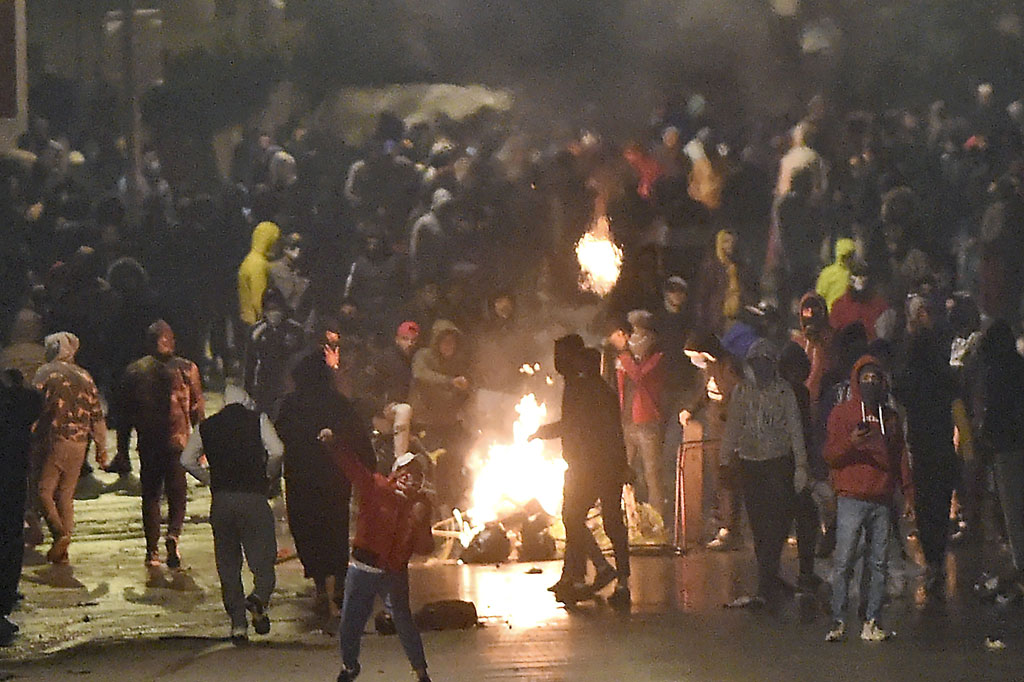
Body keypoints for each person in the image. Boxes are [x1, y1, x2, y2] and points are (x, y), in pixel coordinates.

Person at [318, 435, 434, 682]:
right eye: (406, 471)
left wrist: (421, 522)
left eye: (416, 474)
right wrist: (334, 444)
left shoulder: (420, 505)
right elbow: (352, 467)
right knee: (350, 623)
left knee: (404, 623)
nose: (411, 477)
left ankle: (421, 671)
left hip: (394, 574)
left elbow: (426, 548)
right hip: (363, 569)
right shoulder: (376, 487)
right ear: (395, 473)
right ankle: (350, 666)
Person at [275, 353, 376, 628]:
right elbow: (357, 436)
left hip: (301, 478)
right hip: (334, 476)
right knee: (335, 527)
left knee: (308, 530)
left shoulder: (290, 404)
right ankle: (341, 582)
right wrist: (370, 470)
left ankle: (321, 586)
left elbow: (278, 436)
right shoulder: (338, 403)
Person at [180, 385, 283, 642]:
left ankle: (238, 624)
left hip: (222, 501)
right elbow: (278, 450)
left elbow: (186, 460)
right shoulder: (257, 420)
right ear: (246, 401)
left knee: (228, 564)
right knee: (263, 559)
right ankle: (259, 597)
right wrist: (269, 474)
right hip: (253, 498)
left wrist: (207, 478)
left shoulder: (208, 426)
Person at [532, 339, 631, 607]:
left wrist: (544, 432)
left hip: (590, 466)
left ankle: (602, 569)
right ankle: (608, 578)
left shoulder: (582, 389)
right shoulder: (598, 389)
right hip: (600, 465)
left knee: (575, 517)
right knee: (608, 522)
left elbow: (576, 425)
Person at [824, 356, 913, 642]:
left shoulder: (891, 417)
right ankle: (838, 620)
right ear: (856, 380)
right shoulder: (841, 414)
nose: (871, 384)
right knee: (844, 560)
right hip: (851, 497)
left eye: (876, 378)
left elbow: (900, 456)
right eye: (866, 378)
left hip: (882, 498)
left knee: (878, 563)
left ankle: (872, 619)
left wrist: (908, 491)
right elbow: (830, 455)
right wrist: (852, 443)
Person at [721, 339, 809, 607]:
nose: (760, 367)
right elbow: (733, 427)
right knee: (759, 526)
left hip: (777, 463)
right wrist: (725, 460)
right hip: (751, 464)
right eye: (755, 362)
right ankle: (767, 580)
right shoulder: (742, 392)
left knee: (777, 524)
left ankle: (767, 580)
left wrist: (801, 466)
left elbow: (795, 429)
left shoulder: (783, 392)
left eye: (765, 361)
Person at [119, 320, 205, 568]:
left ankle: (152, 551)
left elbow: (124, 416)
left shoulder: (134, 371)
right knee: (178, 493)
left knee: (151, 496)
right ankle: (173, 535)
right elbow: (197, 409)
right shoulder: (188, 368)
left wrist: (122, 451)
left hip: (149, 441)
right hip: (179, 442)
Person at [893, 296, 957, 594]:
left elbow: (901, 390)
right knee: (939, 503)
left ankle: (932, 559)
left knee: (926, 501)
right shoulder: (941, 374)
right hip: (941, 443)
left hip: (922, 444)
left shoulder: (912, 373)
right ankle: (936, 558)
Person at [32, 332, 109, 565]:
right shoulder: (85, 376)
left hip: (54, 440)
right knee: (65, 495)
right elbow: (97, 415)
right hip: (79, 444)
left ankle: (59, 534)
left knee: (43, 491)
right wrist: (101, 449)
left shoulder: (45, 372)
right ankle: (62, 550)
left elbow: (33, 406)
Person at [977, 321, 1024, 583]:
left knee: (1013, 509)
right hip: (1016, 442)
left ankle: (1021, 563)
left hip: (1007, 447)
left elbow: (995, 412)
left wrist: (988, 438)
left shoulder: (996, 372)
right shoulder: (1019, 366)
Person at [408, 319, 472, 506]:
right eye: (445, 341)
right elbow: (421, 375)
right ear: (436, 342)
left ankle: (457, 500)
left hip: (448, 422)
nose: (449, 346)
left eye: (453, 342)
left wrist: (464, 390)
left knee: (461, 455)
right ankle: (433, 504)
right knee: (433, 465)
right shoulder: (423, 356)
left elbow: (464, 391)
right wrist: (450, 382)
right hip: (425, 421)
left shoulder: (456, 362)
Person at [0, 369, 43, 646]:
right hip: (10, 483)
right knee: (7, 544)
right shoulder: (15, 401)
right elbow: (34, 402)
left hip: (11, 483)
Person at [615, 309, 668, 518]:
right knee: (619, 473)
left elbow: (639, 375)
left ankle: (657, 520)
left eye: (639, 334)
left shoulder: (657, 356)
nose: (635, 339)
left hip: (647, 424)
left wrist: (624, 357)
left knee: (652, 475)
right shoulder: (623, 358)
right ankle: (623, 516)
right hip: (626, 422)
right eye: (632, 334)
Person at [244, 289, 305, 420]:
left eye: (276, 308)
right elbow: (250, 363)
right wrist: (248, 390)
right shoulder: (256, 331)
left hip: (288, 386)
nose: (273, 312)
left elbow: (303, 359)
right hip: (264, 387)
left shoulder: (295, 330)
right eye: (269, 308)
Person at [829, 265, 894, 342]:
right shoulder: (839, 306)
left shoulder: (880, 306)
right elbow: (833, 335)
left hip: (871, 350)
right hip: (846, 351)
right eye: (857, 275)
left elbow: (885, 336)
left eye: (863, 275)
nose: (860, 278)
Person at [238, 215, 281, 328]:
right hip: (255, 323)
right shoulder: (259, 265)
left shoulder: (250, 259)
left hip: (246, 320)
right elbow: (259, 299)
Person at [816, 238, 857, 311]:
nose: (848, 259)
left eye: (850, 256)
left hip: (852, 315)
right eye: (845, 256)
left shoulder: (857, 273)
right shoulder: (828, 273)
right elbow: (819, 296)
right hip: (832, 315)